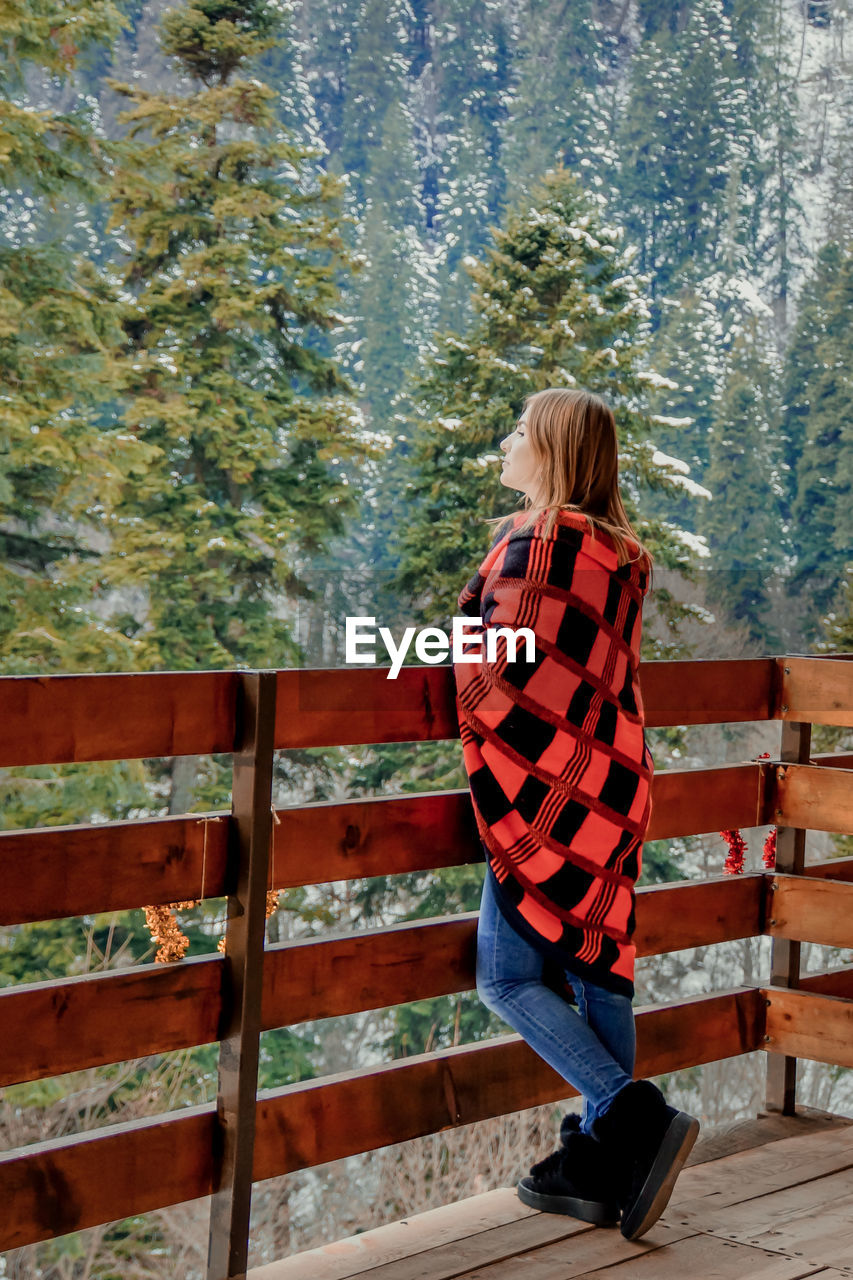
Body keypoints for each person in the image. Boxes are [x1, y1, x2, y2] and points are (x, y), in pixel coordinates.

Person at [452, 387, 699, 1242]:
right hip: (613, 780)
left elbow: (501, 666)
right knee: (597, 969)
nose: (508, 443)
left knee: (506, 975)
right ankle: (598, 1168)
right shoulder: (621, 552)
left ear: (550, 451)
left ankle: (626, 1113)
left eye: (520, 431)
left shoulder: (538, 541)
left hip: (545, 786)